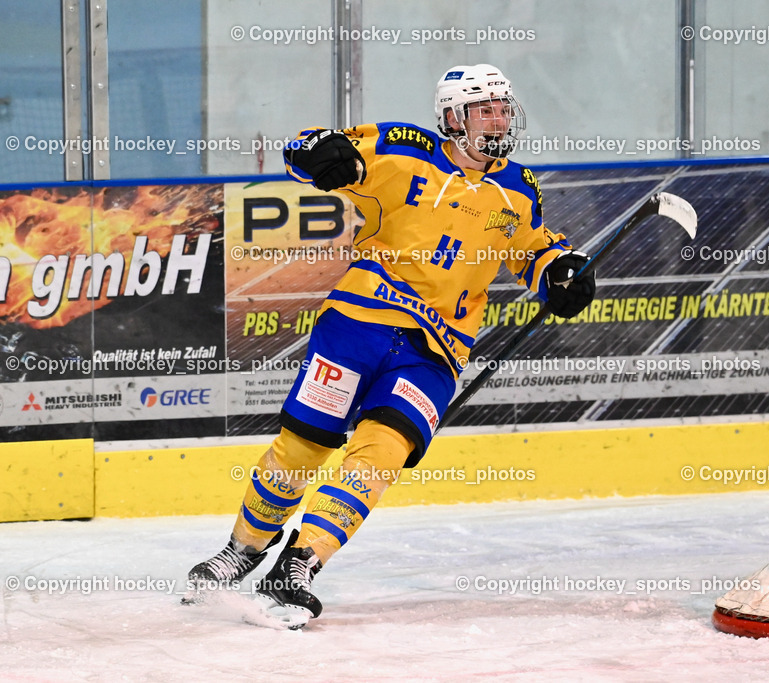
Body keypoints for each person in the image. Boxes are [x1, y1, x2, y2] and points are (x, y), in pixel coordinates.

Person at [185, 64, 596, 627]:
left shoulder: (520, 188)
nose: (499, 119)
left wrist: (561, 271)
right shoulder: (405, 148)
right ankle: (244, 549)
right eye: (485, 109)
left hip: (436, 351)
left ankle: (298, 566)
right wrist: (319, 156)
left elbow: (533, 250)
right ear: (453, 117)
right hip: (358, 323)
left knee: (380, 455)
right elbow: (306, 148)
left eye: (504, 108)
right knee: (301, 450)